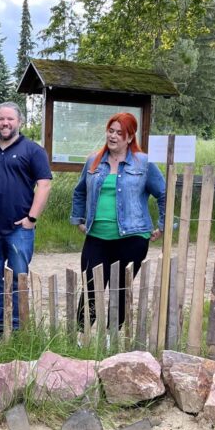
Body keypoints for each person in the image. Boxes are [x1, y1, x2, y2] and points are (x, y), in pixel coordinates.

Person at [70, 112, 166, 329]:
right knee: (90, 288)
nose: (112, 136)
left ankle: (110, 339)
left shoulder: (143, 163)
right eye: (110, 131)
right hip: (96, 236)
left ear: (130, 137)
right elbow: (79, 192)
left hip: (132, 238)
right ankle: (79, 336)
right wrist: (79, 219)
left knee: (120, 289)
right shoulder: (93, 161)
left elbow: (164, 193)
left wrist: (163, 225)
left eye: (119, 133)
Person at [0, 102, 52, 331]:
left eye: (10, 119)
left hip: (19, 230)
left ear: (19, 122)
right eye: (1, 119)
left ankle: (16, 329)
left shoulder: (33, 151)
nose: (5, 123)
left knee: (18, 280)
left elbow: (44, 185)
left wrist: (31, 219)